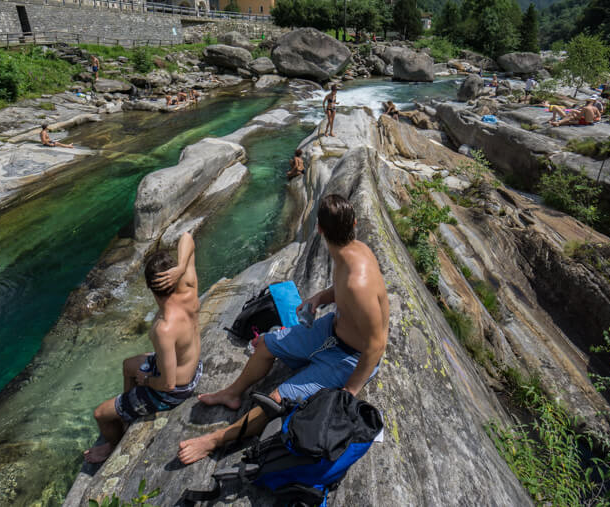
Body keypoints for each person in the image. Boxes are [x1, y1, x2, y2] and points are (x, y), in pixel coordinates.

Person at [177, 194, 389, 465]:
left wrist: (349, 392)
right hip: (331, 331)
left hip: (350, 358)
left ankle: (214, 440)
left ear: (319, 228)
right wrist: (318, 299)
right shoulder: (352, 250)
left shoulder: (359, 282)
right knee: (265, 344)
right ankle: (232, 392)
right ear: (354, 224)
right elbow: (342, 289)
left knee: (277, 397)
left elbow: (377, 344)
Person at [84, 232, 203, 464]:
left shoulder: (164, 328)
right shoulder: (188, 287)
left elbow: (168, 384)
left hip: (176, 389)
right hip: (192, 367)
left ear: (150, 287)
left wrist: (146, 379)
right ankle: (128, 411)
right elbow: (188, 237)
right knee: (128, 365)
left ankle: (112, 445)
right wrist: (181, 266)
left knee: (100, 414)